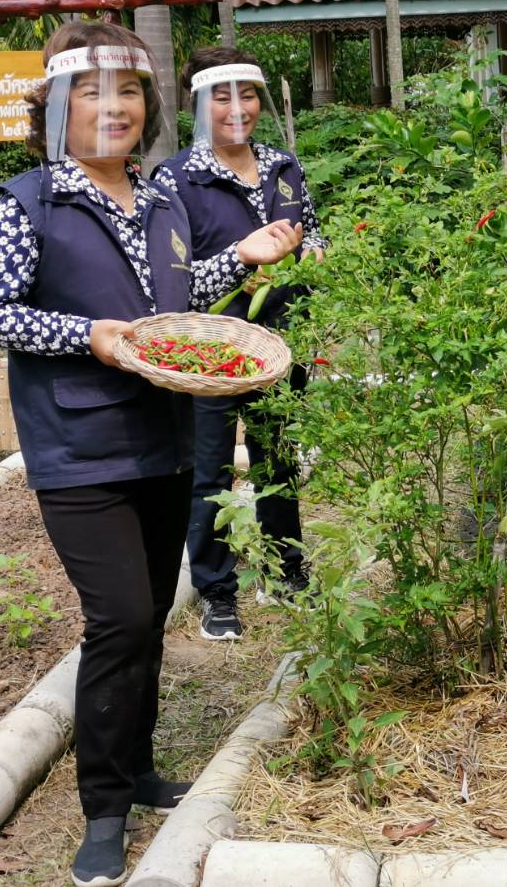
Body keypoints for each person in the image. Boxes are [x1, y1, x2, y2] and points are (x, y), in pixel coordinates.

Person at [0, 21, 302, 887]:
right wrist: (90, 336)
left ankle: (141, 769)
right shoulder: (28, 202)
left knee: (148, 614)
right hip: (80, 449)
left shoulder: (158, 197)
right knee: (115, 620)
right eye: (92, 93)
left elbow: (171, 304)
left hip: (163, 438)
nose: (114, 109)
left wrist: (241, 257)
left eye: (129, 93)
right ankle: (104, 809)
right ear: (56, 107)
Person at [153, 48, 327, 641]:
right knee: (210, 471)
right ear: (197, 104)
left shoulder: (283, 166)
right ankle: (216, 590)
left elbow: (312, 230)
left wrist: (314, 252)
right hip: (211, 349)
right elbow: (169, 273)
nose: (236, 109)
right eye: (220, 97)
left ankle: (285, 572)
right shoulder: (175, 178)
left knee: (280, 459)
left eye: (246, 95)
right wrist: (239, 263)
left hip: (282, 341)